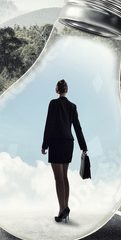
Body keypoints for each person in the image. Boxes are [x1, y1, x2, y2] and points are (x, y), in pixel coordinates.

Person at [40, 79, 87, 223]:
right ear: (67, 90)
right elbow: (78, 128)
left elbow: (49, 124)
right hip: (68, 143)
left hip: (56, 142)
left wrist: (44, 145)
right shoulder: (72, 106)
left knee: (58, 178)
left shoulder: (53, 104)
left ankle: (62, 210)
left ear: (56, 90)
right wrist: (83, 146)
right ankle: (65, 207)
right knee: (64, 176)